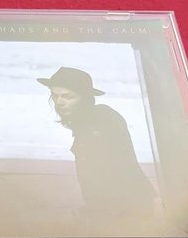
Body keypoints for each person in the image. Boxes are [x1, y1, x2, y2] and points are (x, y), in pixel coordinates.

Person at [36, 67, 156, 220]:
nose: (59, 102)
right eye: (54, 95)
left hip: (125, 209)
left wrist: (93, 212)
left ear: (85, 98)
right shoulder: (92, 119)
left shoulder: (98, 124)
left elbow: (110, 176)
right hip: (125, 204)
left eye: (68, 96)